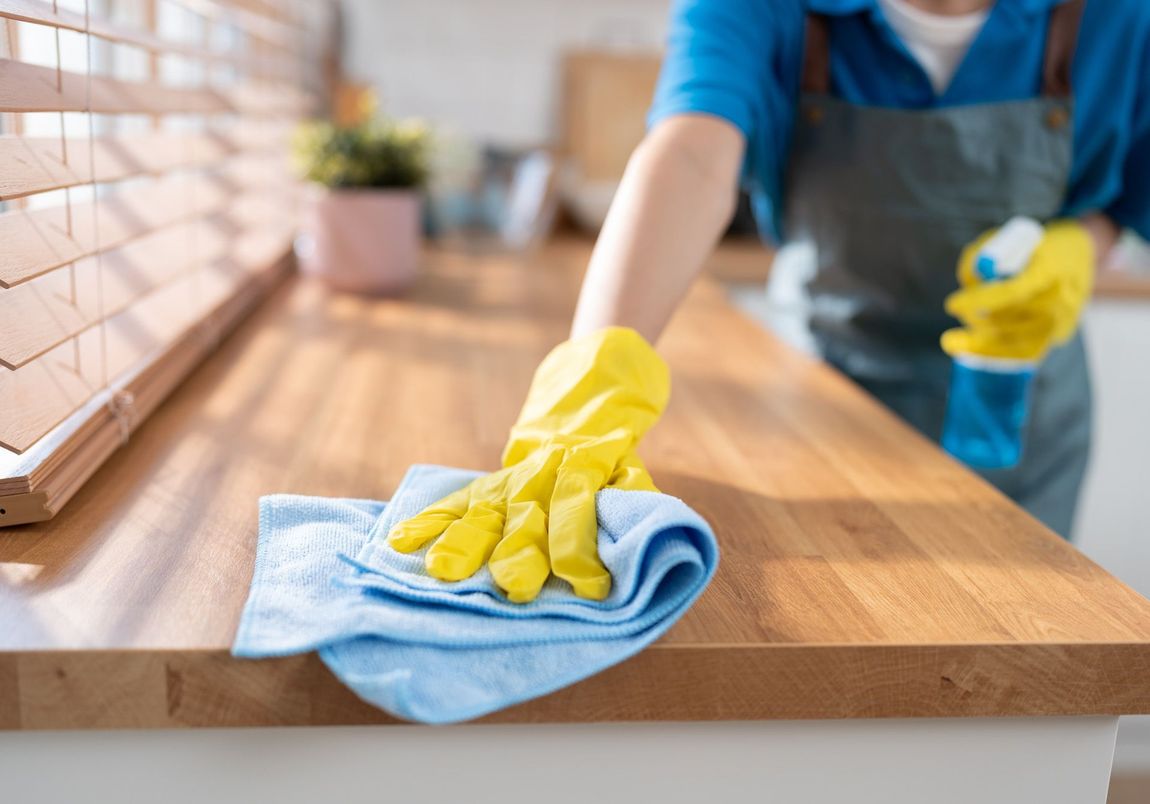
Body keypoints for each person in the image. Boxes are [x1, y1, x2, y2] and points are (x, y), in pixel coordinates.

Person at [389, 0, 1150, 603]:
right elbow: (692, 153)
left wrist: (1084, 241)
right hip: (821, 402)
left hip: (1014, 409)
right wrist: (589, 377)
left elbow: (1134, 185)